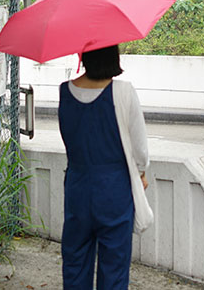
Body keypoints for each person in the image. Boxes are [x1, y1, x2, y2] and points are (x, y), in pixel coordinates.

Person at [58, 44, 149, 290]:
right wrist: (141, 173)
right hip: (114, 188)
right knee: (114, 266)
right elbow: (140, 146)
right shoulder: (123, 91)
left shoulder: (65, 91)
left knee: (75, 260)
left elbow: (69, 137)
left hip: (77, 185)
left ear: (85, 56)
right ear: (113, 57)